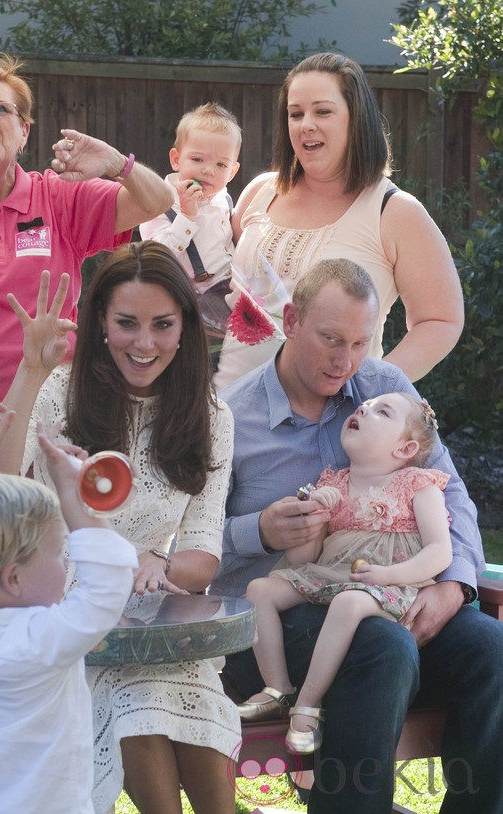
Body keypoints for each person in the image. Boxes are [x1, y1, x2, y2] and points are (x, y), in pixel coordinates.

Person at [212, 258, 503, 814]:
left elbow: (450, 494)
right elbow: (195, 545)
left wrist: (454, 586)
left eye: (360, 343)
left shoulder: (384, 388)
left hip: (394, 594)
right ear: (291, 320)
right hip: (280, 621)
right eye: (330, 339)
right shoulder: (230, 416)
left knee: (490, 649)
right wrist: (261, 531)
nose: (345, 361)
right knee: (382, 649)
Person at [0, 243, 239, 814]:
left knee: (182, 697)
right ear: (101, 323)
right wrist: (31, 369)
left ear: (186, 328)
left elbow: (202, 555)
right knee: (135, 701)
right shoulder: (60, 392)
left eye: (162, 325)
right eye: (127, 323)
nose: (144, 344)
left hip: (152, 623)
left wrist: (159, 564)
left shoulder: (210, 415)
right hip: (65, 618)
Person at [0, 54, 174, 411]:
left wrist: (118, 163)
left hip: (48, 406)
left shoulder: (59, 195)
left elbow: (158, 202)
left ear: (24, 130)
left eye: (0, 108)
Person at [0, 417, 138, 814]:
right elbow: (108, 581)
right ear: (13, 578)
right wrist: (72, 490)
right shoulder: (38, 642)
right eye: (59, 552)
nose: (67, 559)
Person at [229, 52, 463, 384]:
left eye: (323, 111)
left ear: (356, 119)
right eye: (295, 114)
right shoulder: (260, 192)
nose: (306, 123)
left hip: (331, 424)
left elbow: (441, 320)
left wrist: (369, 386)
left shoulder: (395, 212)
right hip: (233, 409)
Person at [237, 392, 451, 755]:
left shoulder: (418, 485)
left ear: (405, 449)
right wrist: (309, 521)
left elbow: (440, 551)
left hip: (392, 581)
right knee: (259, 589)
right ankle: (277, 688)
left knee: (349, 603)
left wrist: (389, 574)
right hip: (331, 574)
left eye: (382, 412)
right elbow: (305, 560)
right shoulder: (333, 484)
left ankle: (308, 703)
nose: (364, 409)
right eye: (364, 406)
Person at [139, 102, 241, 368]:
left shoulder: (224, 199)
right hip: (184, 304)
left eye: (221, 165)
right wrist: (186, 217)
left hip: (224, 300)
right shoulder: (160, 202)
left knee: (222, 367)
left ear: (232, 172)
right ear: (176, 159)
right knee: (185, 366)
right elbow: (156, 257)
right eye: (197, 159)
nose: (208, 170)